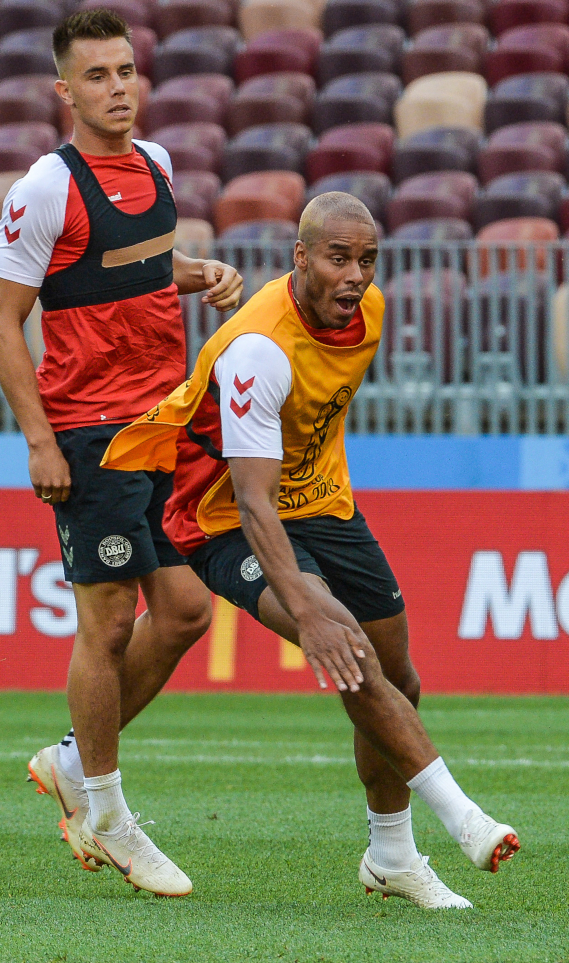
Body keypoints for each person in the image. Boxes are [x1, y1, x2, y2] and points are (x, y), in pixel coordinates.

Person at [103, 192, 520, 908]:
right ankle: (463, 816)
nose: (355, 275)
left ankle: (389, 854)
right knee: (347, 646)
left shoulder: (373, 313)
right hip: (221, 516)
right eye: (338, 257)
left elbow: (318, 426)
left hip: (323, 503)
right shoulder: (258, 349)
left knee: (399, 676)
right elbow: (254, 498)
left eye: (367, 259)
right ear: (300, 257)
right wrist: (305, 602)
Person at [0, 10, 244, 897]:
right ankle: (107, 814)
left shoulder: (158, 167)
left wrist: (194, 273)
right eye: (97, 76)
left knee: (183, 611)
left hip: (162, 425)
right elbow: (5, 318)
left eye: (127, 71)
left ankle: (72, 763)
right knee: (105, 624)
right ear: (65, 91)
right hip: (90, 433)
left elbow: (129, 261)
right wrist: (38, 438)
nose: (119, 89)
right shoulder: (42, 188)